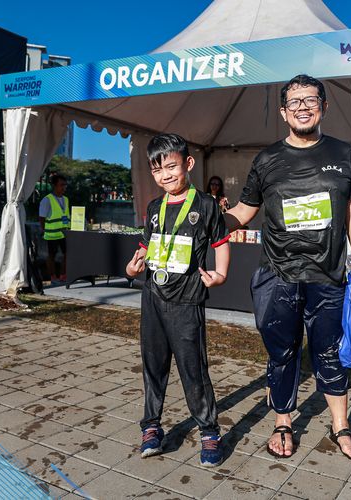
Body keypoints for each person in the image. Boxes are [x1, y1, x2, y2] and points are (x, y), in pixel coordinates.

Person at [225, 74, 351, 461]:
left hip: (328, 276)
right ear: (283, 112)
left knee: (329, 353)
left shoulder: (344, 154)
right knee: (282, 352)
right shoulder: (267, 159)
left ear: (323, 106)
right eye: (294, 102)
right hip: (278, 275)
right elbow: (243, 211)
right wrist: (206, 220)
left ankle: (340, 426)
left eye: (310, 100)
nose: (302, 108)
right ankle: (283, 423)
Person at [125, 133, 230, 467]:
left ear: (188, 164)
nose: (165, 175)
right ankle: (151, 427)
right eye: (157, 170)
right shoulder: (154, 208)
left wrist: (221, 273)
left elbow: (221, 242)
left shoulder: (207, 205)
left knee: (193, 369)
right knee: (153, 366)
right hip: (153, 298)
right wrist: (132, 266)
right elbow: (145, 246)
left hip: (187, 301)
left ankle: (209, 431)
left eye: (171, 167)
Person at [39, 174, 70, 285]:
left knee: (67, 253)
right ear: (54, 185)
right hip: (52, 234)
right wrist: (44, 230)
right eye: (61, 185)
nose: (64, 187)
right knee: (52, 255)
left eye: (65, 185)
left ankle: (63, 275)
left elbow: (65, 215)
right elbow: (41, 218)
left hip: (64, 233)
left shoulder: (66, 199)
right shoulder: (47, 200)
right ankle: (53, 277)